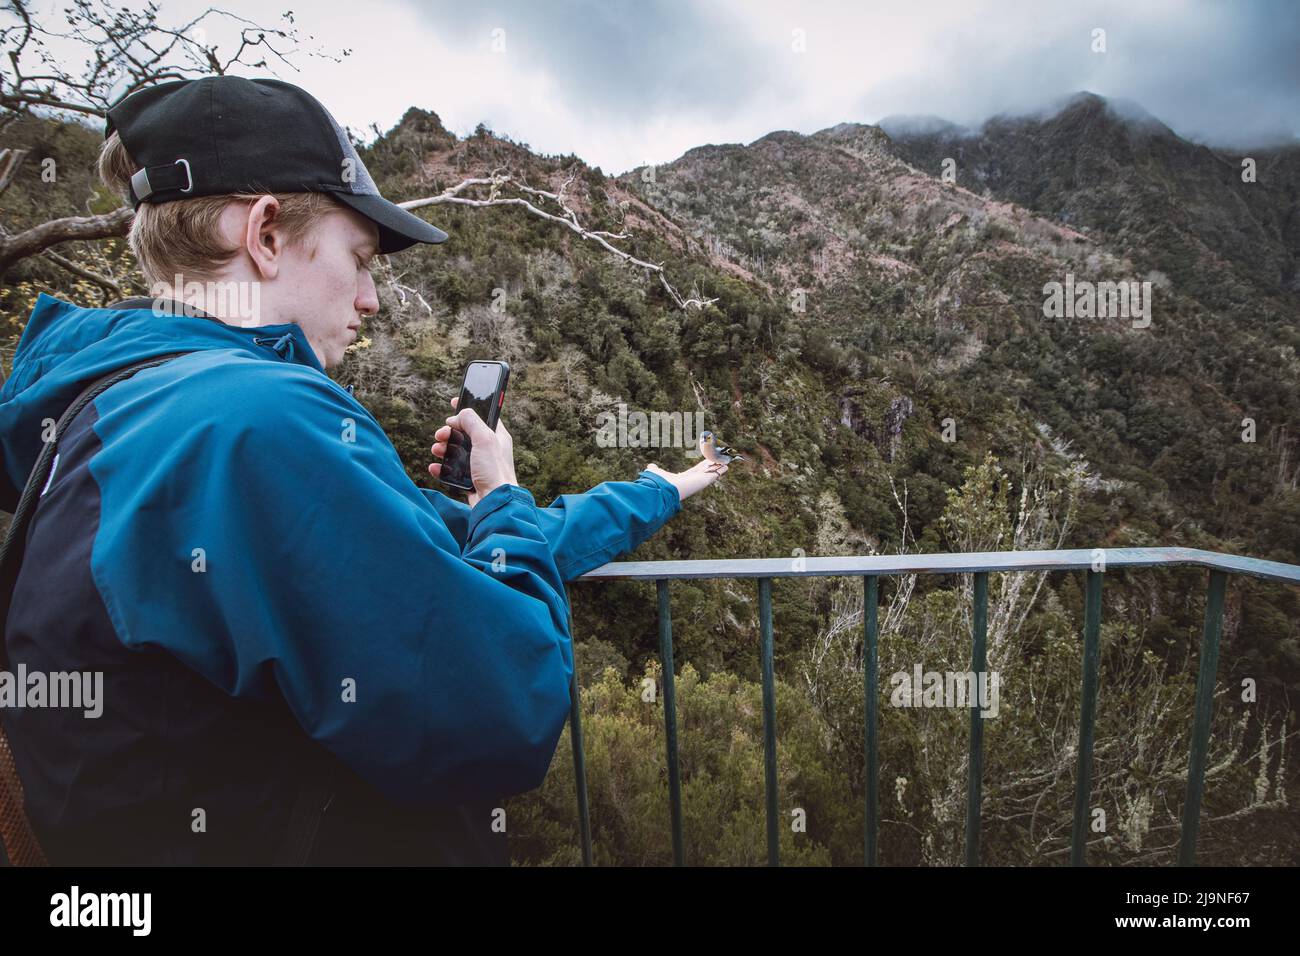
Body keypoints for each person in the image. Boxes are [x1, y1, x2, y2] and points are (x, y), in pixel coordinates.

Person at [0, 76, 725, 865]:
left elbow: (445, 537)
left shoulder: (120, 405)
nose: (373, 298)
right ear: (267, 234)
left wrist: (657, 490)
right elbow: (502, 708)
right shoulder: (256, 421)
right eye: (360, 257)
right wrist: (505, 495)